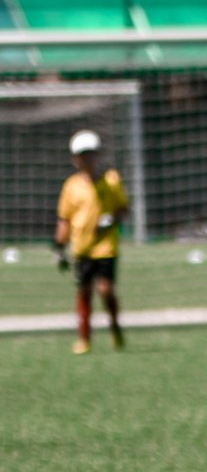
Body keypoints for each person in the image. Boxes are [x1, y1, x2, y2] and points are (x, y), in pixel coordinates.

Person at [54, 129, 128, 355]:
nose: (87, 159)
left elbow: (123, 209)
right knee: (84, 292)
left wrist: (110, 220)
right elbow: (64, 219)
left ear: (98, 156)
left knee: (105, 290)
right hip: (82, 248)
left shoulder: (111, 181)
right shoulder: (71, 186)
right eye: (82, 155)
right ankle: (84, 337)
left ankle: (115, 327)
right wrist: (59, 247)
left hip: (106, 247)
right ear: (75, 159)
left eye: (90, 154)